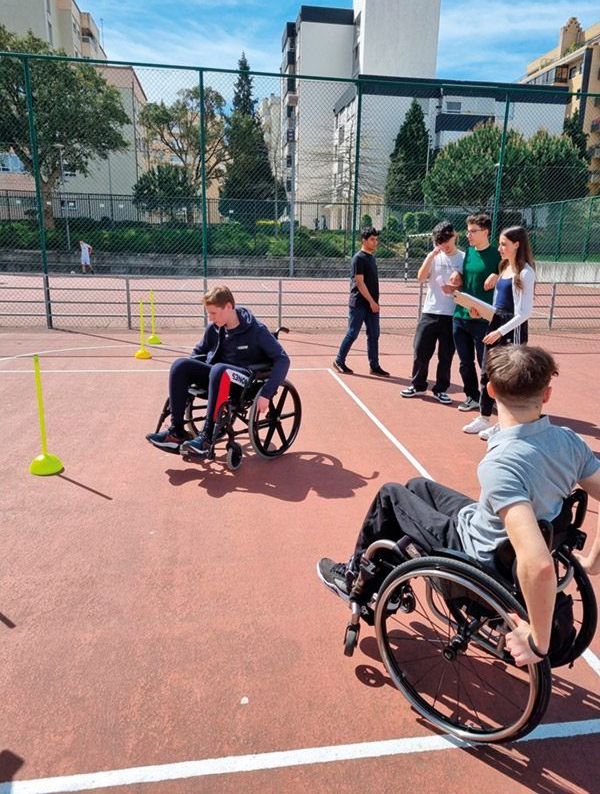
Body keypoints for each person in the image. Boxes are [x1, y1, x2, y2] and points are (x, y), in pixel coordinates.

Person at [317, 344, 600, 667]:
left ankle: (356, 579)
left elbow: (538, 563)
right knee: (417, 486)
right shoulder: (569, 441)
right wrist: (593, 563)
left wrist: (538, 641)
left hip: (480, 556)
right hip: (495, 530)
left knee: (390, 495)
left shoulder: (502, 464)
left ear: (490, 391)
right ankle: (386, 582)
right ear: (546, 394)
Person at [145, 285, 290, 457]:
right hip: (217, 376)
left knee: (219, 369)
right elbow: (197, 353)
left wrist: (267, 393)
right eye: (209, 313)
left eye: (213, 313)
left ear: (228, 307)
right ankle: (176, 432)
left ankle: (206, 438)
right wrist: (183, 385)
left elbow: (283, 359)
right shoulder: (214, 328)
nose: (211, 318)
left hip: (245, 381)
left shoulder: (256, 330)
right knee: (180, 365)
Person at [463, 226, 536, 440]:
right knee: (487, 373)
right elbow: (498, 306)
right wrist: (482, 314)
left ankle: (504, 424)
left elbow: (524, 313)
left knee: (507, 378)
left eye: (504, 244)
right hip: (496, 325)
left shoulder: (526, 272)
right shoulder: (504, 268)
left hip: (512, 330)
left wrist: (500, 331)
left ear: (517, 245)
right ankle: (484, 417)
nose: (500, 248)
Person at [401, 221, 464, 404]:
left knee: (446, 355)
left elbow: (466, 285)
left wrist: (454, 287)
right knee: (420, 350)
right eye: (439, 242)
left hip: (451, 314)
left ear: (454, 236)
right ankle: (418, 385)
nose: (443, 245)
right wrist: (431, 256)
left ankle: (441, 389)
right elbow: (420, 277)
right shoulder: (435, 256)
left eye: (446, 241)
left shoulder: (463, 258)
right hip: (430, 311)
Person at [452, 214, 500, 412]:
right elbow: (468, 276)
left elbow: (512, 274)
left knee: (485, 362)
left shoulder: (497, 254)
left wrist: (497, 275)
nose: (469, 235)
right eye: (468, 231)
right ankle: (472, 397)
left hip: (482, 319)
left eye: (473, 231)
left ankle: (490, 398)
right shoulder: (469, 253)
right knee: (465, 362)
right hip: (460, 315)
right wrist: (458, 274)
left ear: (485, 232)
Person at [333, 226, 390, 377]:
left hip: (372, 305)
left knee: (374, 335)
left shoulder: (372, 258)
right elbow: (360, 282)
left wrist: (373, 302)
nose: (375, 242)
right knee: (353, 333)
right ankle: (339, 360)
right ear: (364, 240)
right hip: (359, 303)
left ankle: (374, 366)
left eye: (376, 240)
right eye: (372, 240)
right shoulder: (358, 258)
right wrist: (372, 301)